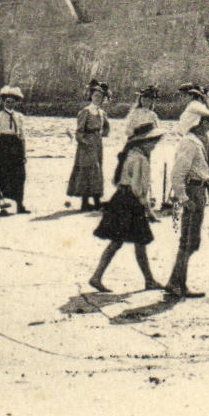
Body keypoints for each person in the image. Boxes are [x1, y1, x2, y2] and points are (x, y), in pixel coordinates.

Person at [88, 121, 166, 293]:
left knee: (118, 242)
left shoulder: (129, 154)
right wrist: (148, 210)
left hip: (120, 200)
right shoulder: (141, 160)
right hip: (132, 203)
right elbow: (139, 189)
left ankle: (97, 276)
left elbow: (118, 181)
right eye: (152, 142)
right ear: (143, 142)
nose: (154, 146)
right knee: (139, 241)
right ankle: (149, 280)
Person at [164, 109, 209, 298]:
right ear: (199, 124)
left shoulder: (194, 142)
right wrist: (184, 198)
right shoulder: (190, 143)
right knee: (188, 240)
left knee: (191, 240)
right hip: (193, 191)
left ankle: (177, 282)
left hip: (197, 190)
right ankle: (176, 283)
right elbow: (177, 173)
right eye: (206, 122)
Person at [0, 86, 29, 215]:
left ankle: (20, 205)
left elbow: (22, 136)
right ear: (3, 102)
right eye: (7, 101)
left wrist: (24, 154)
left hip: (15, 147)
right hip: (1, 147)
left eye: (12, 102)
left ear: (16, 103)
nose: (10, 104)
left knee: (18, 176)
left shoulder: (19, 117)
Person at [68, 80, 111, 211]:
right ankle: (85, 202)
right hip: (86, 144)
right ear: (91, 96)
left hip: (97, 143)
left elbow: (107, 128)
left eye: (101, 97)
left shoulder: (102, 113)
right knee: (87, 171)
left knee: (97, 171)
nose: (98, 99)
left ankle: (97, 200)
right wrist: (85, 142)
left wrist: (102, 133)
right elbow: (79, 131)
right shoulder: (85, 111)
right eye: (96, 96)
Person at [178, 83, 209, 204]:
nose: (182, 98)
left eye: (183, 95)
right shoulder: (195, 107)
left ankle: (205, 195)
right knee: (205, 164)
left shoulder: (194, 106)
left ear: (190, 95)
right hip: (195, 137)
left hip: (197, 137)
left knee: (201, 164)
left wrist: (208, 106)